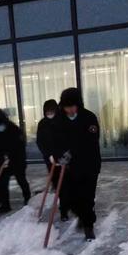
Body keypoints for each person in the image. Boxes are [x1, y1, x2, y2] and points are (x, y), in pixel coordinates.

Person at [54, 87, 101, 241]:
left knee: (87, 197)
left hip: (89, 165)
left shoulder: (89, 118)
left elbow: (91, 141)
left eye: (72, 106)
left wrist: (72, 151)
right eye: (67, 107)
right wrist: (60, 154)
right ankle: (82, 215)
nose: (70, 110)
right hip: (70, 168)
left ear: (78, 104)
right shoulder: (59, 119)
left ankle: (88, 226)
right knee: (71, 197)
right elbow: (54, 140)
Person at [0, 109, 31, 211]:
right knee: (3, 183)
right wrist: (0, 158)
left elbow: (20, 146)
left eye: (0, 124)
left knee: (21, 179)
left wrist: (11, 156)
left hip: (17, 160)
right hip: (3, 162)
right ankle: (5, 205)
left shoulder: (14, 130)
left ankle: (28, 199)